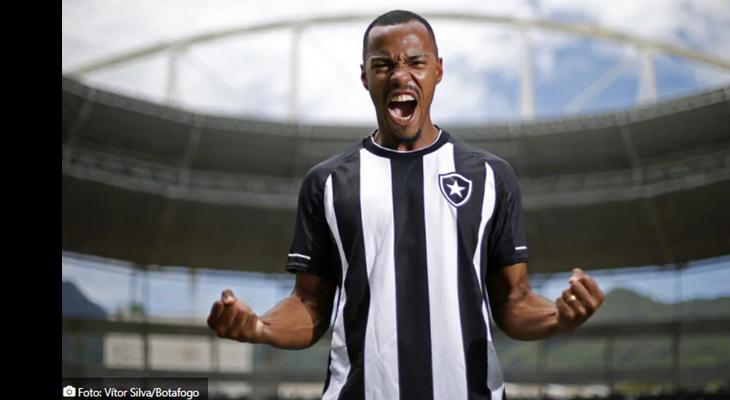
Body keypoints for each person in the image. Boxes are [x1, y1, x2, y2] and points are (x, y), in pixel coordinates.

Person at [207, 10, 605, 400]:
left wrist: (558, 315)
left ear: (438, 70)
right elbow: (309, 304)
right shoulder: (327, 183)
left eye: (416, 61)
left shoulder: (490, 177)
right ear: (364, 76)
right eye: (382, 64)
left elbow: (513, 300)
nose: (401, 75)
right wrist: (259, 327)